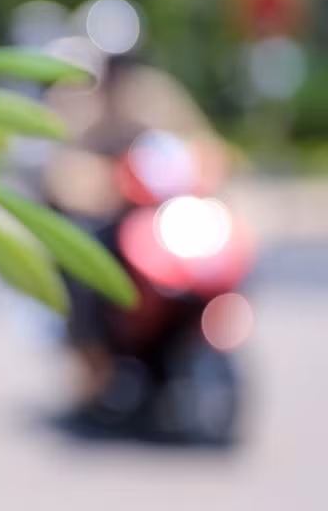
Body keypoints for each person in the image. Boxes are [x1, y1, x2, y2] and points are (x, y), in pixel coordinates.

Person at [39, 52, 231, 406]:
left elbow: (199, 141)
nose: (119, 73)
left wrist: (206, 166)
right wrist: (97, 183)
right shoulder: (77, 101)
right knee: (86, 264)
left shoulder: (156, 94)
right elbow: (60, 165)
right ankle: (95, 360)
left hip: (156, 217)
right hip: (107, 217)